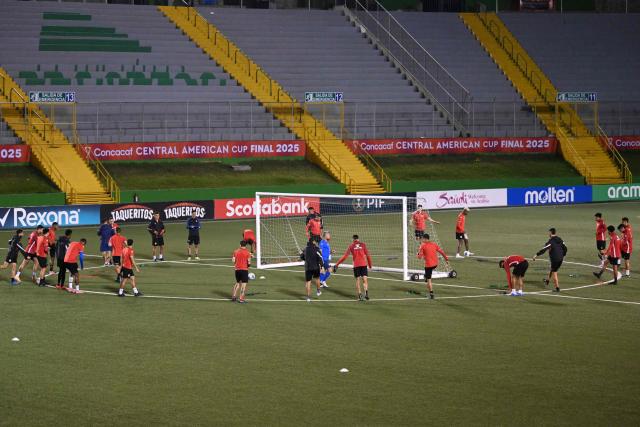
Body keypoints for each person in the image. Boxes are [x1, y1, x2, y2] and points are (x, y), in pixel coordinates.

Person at [333, 234, 373, 301]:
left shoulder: (351, 246)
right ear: (358, 239)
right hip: (363, 264)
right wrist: (370, 265)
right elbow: (368, 255)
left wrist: (337, 264)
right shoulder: (363, 245)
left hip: (356, 265)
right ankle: (366, 294)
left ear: (353, 239)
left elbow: (345, 257)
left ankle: (359, 295)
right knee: (365, 279)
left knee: (358, 280)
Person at [533, 228, 567, 293]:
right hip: (560, 258)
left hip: (555, 259)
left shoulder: (550, 241)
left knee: (555, 272)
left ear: (551, 233)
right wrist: (563, 255)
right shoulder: (560, 239)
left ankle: (557, 288)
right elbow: (565, 248)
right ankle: (547, 280)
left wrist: (536, 255)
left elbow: (544, 249)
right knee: (552, 268)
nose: (548, 234)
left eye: (549, 233)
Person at [417, 233, 448, 299]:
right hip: (435, 264)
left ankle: (431, 294)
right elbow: (441, 252)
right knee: (428, 272)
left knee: (429, 280)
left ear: (425, 239)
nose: (422, 240)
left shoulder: (423, 246)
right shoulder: (434, 244)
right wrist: (446, 259)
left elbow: (419, 257)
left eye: (422, 238)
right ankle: (426, 276)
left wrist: (418, 251)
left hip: (428, 266)